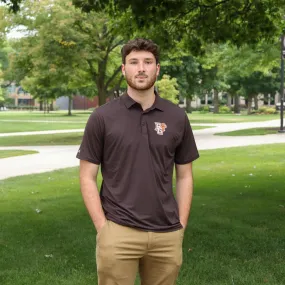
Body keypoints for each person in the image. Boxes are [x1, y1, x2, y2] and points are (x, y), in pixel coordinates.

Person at [76, 38, 199, 285]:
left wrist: (181, 226)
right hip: (119, 231)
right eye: (133, 62)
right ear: (124, 69)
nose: (141, 68)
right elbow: (87, 176)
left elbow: (185, 175)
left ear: (157, 69)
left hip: (167, 234)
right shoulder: (102, 117)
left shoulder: (176, 116)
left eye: (147, 62)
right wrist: (103, 228)